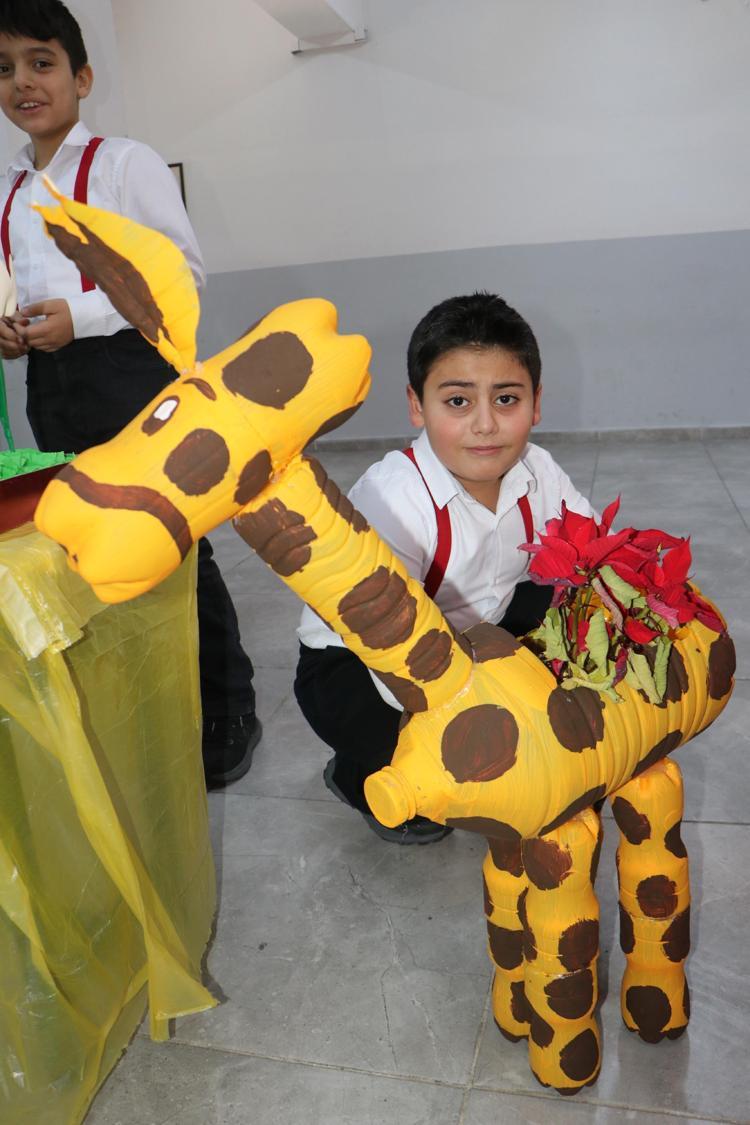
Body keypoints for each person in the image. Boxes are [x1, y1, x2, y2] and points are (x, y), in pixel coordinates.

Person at [0, 0, 260, 786]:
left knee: (173, 539)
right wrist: (11, 329)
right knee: (90, 542)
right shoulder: (9, 189)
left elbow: (180, 274)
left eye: (41, 63)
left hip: (133, 374)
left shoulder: (123, 164)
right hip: (51, 386)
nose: (22, 82)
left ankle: (230, 707)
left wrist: (77, 317)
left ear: (82, 77)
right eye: (4, 70)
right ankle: (145, 691)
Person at [294, 292, 596, 844]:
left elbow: (593, 550)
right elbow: (393, 650)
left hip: (476, 630)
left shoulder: (539, 470)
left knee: (571, 602)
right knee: (440, 778)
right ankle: (358, 775)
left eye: (506, 399)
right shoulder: (393, 499)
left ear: (536, 403)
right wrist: (482, 709)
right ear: (417, 406)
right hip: (359, 662)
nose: (485, 424)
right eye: (458, 401)